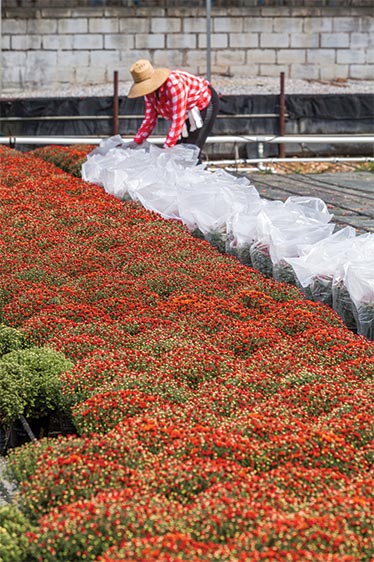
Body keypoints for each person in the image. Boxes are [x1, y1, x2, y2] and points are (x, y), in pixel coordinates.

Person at [126, 59, 220, 162]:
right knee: (179, 151)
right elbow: (149, 119)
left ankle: (200, 176)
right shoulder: (149, 94)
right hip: (186, 111)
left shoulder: (174, 85)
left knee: (191, 151)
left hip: (204, 102)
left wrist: (166, 149)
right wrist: (136, 142)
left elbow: (178, 120)